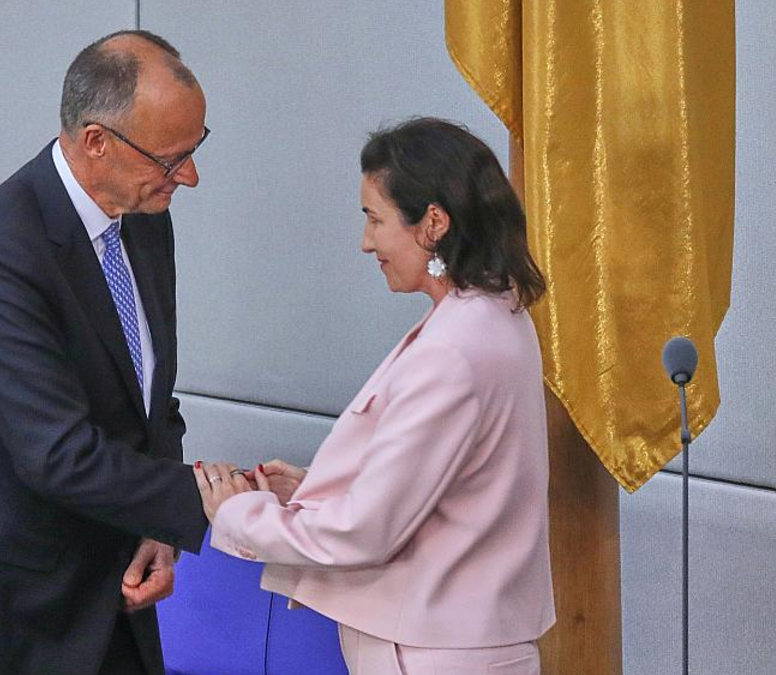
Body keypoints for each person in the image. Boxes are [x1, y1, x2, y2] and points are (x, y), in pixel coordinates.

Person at [0, 31, 211, 675]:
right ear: (96, 141)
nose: (190, 177)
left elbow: (148, 397)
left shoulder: (144, 217)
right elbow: (54, 453)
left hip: (108, 586)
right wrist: (206, 498)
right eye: (172, 159)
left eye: (195, 149)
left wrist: (158, 528)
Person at [196, 118, 555, 675]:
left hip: (432, 655)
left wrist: (239, 514)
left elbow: (365, 532)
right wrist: (317, 488)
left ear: (432, 222)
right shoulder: (492, 315)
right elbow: (447, 484)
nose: (366, 242)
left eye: (374, 218)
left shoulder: (454, 348)